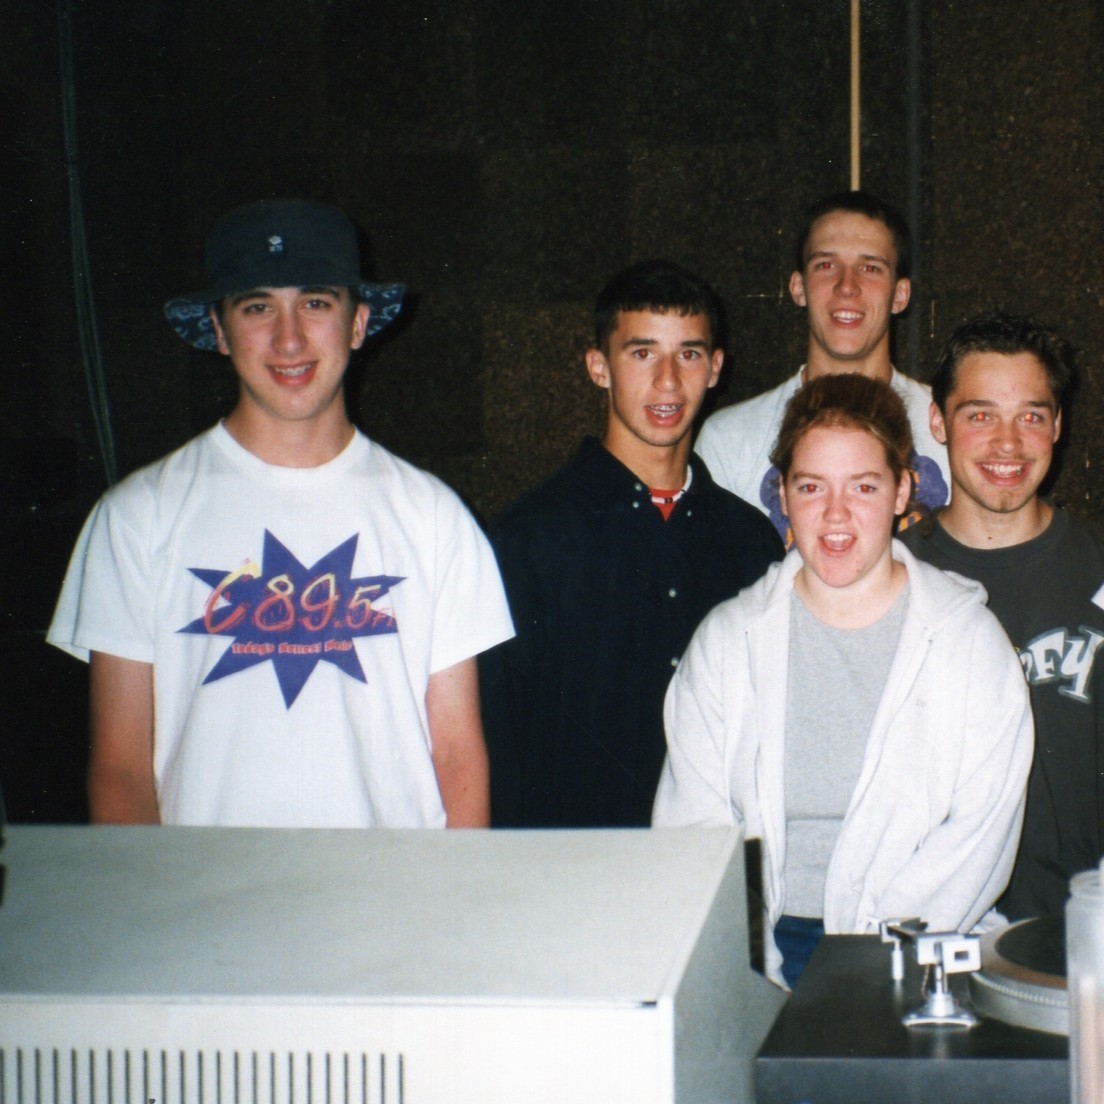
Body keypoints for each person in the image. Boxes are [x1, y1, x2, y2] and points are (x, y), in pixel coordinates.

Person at [48, 198, 514, 828]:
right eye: (257, 306)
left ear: (358, 323)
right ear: (217, 328)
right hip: (205, 911)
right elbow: (121, 769)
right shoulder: (137, 517)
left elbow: (457, 755)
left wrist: (455, 913)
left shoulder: (434, 517)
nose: (289, 338)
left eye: (316, 303)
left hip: (392, 909)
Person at [654, 373, 1032, 989]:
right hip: (760, 940)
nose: (835, 515)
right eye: (811, 487)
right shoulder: (728, 642)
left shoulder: (968, 644)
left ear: (903, 489)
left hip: (916, 946)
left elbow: (975, 841)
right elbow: (693, 832)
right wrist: (754, 971)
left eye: (863, 486)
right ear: (781, 493)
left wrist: (870, 969)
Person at [478, 260, 783, 827]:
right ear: (599, 367)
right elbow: (498, 741)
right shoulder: (529, 539)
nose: (668, 380)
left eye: (688, 353)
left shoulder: (749, 541)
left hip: (710, 866)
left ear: (716, 368)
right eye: (642, 353)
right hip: (570, 877)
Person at [901, 310, 1104, 919]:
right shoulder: (893, 583)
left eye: (1032, 417)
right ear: (938, 421)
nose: (1008, 445)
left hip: (1086, 931)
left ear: (1058, 425)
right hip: (937, 932)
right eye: (981, 414)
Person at [696, 190, 949, 541]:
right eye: (826, 265)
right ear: (798, 288)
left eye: (870, 268)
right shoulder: (729, 440)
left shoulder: (951, 426)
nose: (847, 287)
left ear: (900, 295)